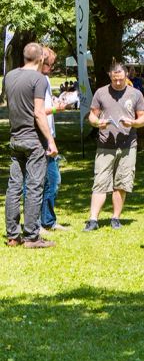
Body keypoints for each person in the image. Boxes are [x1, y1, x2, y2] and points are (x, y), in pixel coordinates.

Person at [4, 43, 58, 249]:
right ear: (41, 59)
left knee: (14, 186)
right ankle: (32, 237)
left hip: (15, 137)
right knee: (35, 186)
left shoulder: (9, 76)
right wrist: (51, 141)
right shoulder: (39, 79)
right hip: (34, 140)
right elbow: (38, 112)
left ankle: (12, 235)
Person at [84, 61, 144, 232]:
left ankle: (115, 218)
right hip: (105, 145)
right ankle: (93, 219)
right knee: (100, 181)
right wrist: (98, 123)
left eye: (121, 79)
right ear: (110, 77)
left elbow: (143, 119)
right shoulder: (101, 93)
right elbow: (92, 115)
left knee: (121, 183)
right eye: (114, 80)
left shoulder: (136, 94)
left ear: (126, 76)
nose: (118, 83)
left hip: (128, 145)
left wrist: (133, 122)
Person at [38, 47, 68, 233]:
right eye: (50, 63)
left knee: (52, 180)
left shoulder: (45, 79)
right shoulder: (36, 80)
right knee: (41, 181)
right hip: (41, 137)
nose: (52, 67)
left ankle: (48, 220)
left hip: (49, 134)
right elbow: (38, 112)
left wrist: (56, 103)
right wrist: (57, 109)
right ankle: (39, 223)